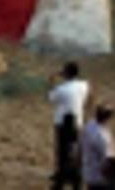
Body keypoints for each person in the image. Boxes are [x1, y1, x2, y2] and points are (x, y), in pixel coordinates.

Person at [47, 62, 88, 190]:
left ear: (67, 73)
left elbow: (51, 98)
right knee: (74, 151)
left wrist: (52, 82)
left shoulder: (62, 89)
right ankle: (70, 177)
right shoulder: (84, 85)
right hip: (78, 122)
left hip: (63, 123)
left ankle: (61, 178)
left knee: (62, 152)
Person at [81, 105, 115, 190]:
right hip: (101, 177)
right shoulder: (102, 137)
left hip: (89, 173)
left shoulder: (90, 125)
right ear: (106, 118)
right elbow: (107, 159)